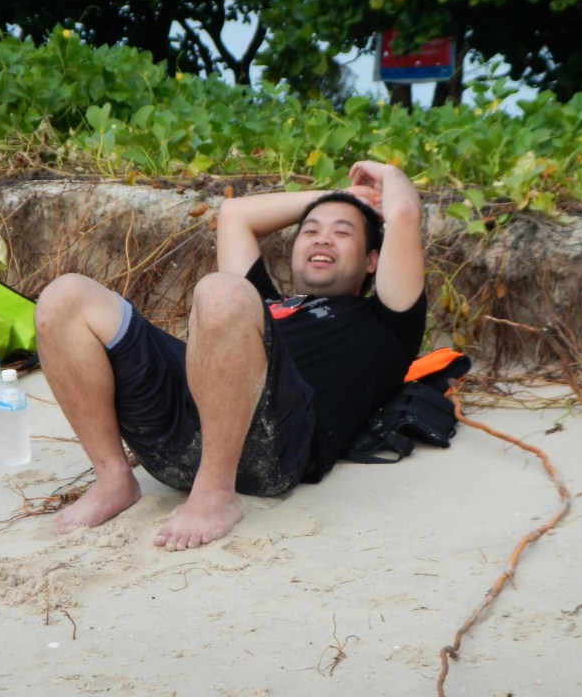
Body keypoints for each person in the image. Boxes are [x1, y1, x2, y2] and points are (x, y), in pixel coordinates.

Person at [33, 160, 426, 551]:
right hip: (180, 431)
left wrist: (387, 177)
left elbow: (405, 213)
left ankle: (214, 492)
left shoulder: (385, 322)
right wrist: (340, 196)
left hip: (275, 448)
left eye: (342, 233)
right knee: (65, 296)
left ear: (372, 260)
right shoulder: (264, 302)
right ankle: (113, 478)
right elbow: (235, 214)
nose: (322, 240)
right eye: (310, 231)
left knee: (222, 290)